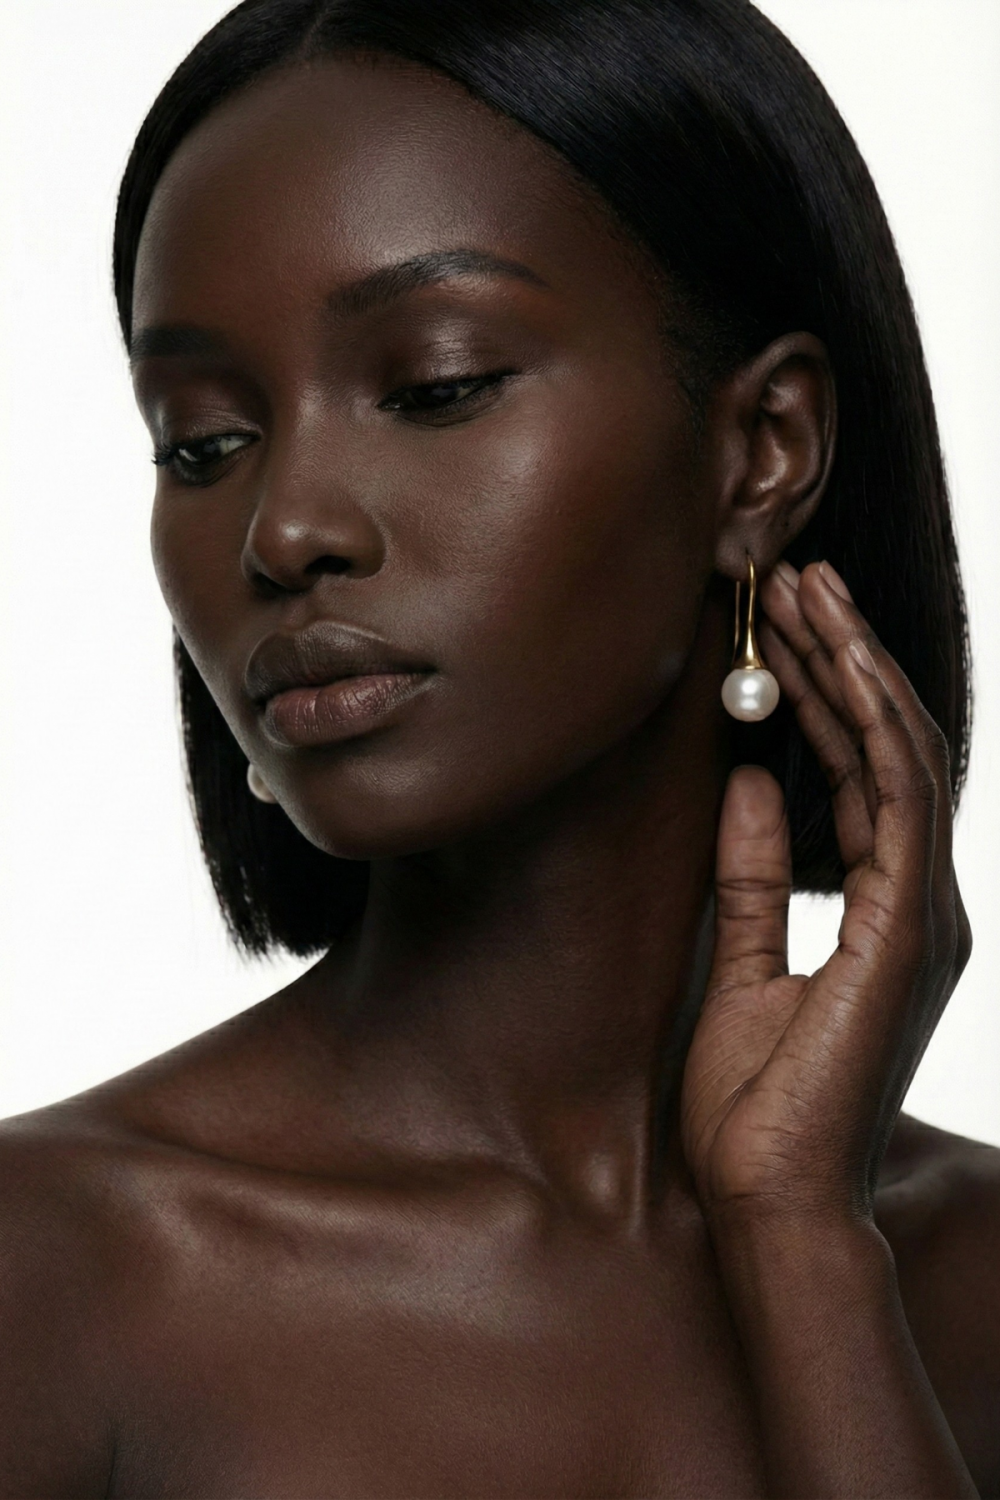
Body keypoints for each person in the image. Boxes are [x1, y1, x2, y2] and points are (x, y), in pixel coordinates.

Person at [2, 0, 997, 1494]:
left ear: (764, 449)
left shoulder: (973, 1272)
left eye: (436, 386)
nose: (286, 529)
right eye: (203, 440)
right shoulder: (58, 1273)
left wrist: (802, 1244)